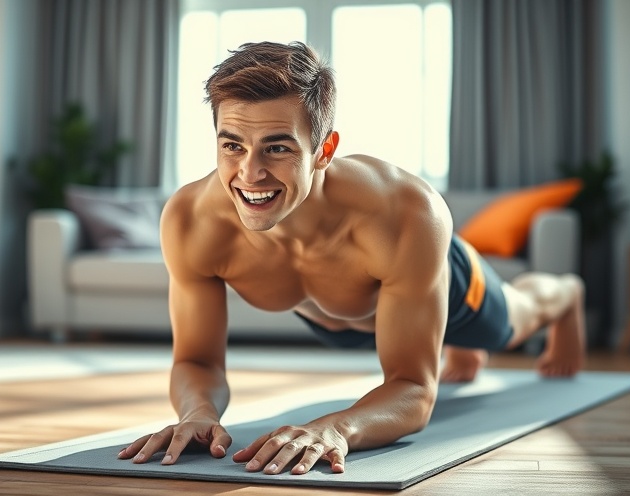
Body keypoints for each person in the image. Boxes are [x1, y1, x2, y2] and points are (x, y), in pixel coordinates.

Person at [117, 41, 585, 476]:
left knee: (515, 321)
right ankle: (459, 345)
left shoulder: (405, 214)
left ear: (324, 150)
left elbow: (414, 389)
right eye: (232, 145)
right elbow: (196, 360)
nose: (250, 173)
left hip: (441, 282)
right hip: (343, 314)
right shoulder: (190, 221)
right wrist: (198, 412)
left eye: (277, 148)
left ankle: (566, 294)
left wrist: (336, 427)